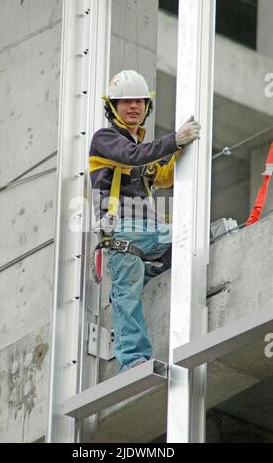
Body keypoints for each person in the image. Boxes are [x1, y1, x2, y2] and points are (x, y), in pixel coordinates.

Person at [89, 70, 200, 372]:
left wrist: (185, 149)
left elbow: (162, 175)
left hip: (150, 232)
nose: (134, 107)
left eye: (139, 101)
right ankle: (133, 362)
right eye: (125, 102)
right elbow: (132, 156)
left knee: (193, 240)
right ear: (112, 107)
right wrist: (173, 140)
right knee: (126, 297)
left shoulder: (143, 149)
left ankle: (149, 272)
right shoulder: (105, 140)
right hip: (123, 232)